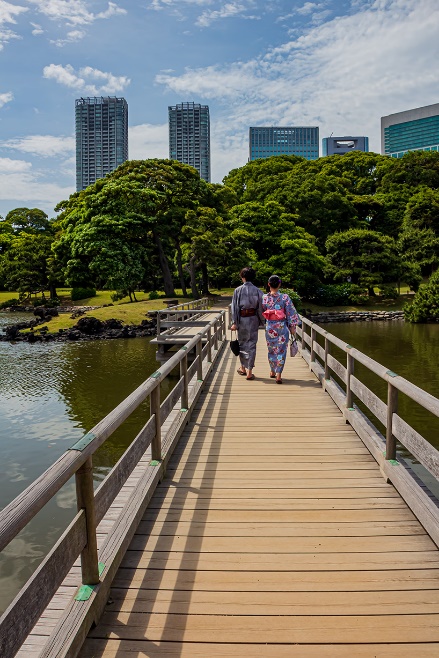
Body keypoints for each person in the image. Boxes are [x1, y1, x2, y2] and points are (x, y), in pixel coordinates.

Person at [262, 275, 299, 384]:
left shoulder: (265, 298)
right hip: (282, 326)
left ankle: (273, 371)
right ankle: (279, 374)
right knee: (281, 350)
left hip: (270, 327)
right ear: (279, 284)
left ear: (268, 284)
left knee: (271, 349)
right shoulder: (285, 297)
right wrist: (292, 326)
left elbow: (263, 310)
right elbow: (290, 312)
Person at [230, 267, 264, 380]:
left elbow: (234, 308)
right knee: (252, 344)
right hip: (253, 318)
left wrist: (234, 322)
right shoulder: (258, 291)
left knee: (242, 343)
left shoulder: (237, 290)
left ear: (242, 277)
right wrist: (262, 321)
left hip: (242, 319)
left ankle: (243, 368)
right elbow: (260, 308)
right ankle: (249, 371)